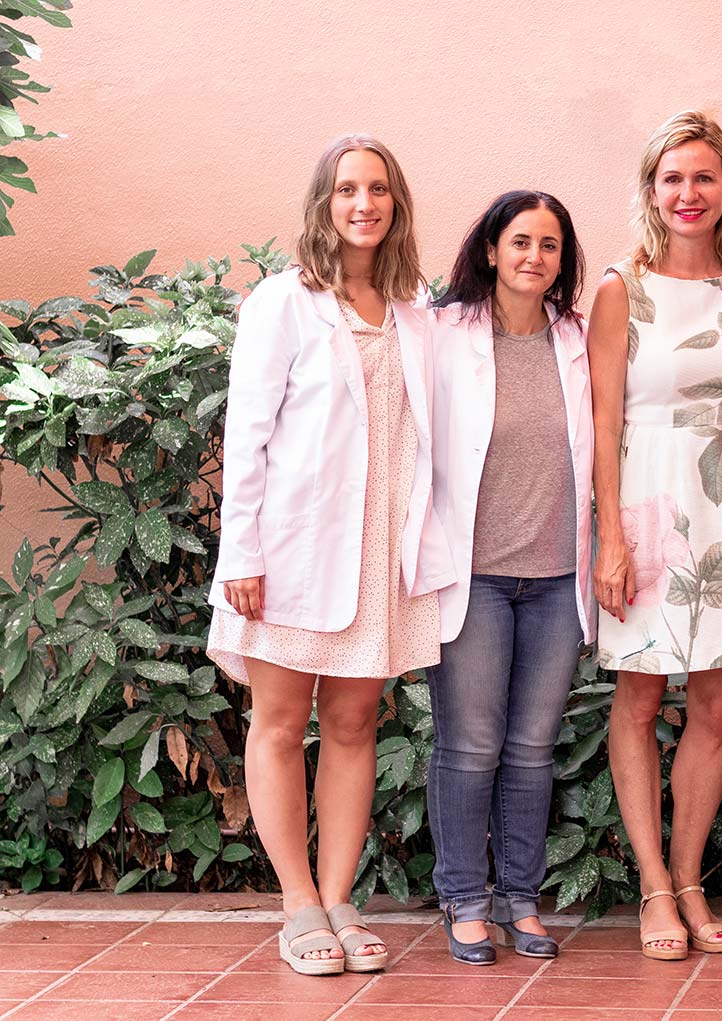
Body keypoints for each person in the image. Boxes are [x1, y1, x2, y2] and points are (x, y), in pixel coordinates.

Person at [206, 134, 452, 975]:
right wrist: (240, 549)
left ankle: (341, 896)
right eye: (348, 188)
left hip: (381, 553)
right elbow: (249, 435)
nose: (364, 203)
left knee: (354, 723)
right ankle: (298, 903)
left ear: (396, 203)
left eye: (379, 188)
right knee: (278, 724)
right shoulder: (284, 301)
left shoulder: (418, 308)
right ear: (325, 201)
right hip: (290, 549)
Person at [589, 109, 722, 961]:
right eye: (672, 177)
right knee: (639, 696)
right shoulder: (619, 288)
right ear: (651, 189)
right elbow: (603, 426)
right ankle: (651, 886)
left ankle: (690, 879)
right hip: (646, 510)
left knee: (715, 702)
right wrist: (609, 537)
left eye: (703, 177)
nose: (687, 192)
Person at [424, 191, 594, 966]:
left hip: (560, 576)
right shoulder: (443, 332)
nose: (535, 255)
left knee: (531, 746)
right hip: (477, 576)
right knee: (470, 744)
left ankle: (520, 900)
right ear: (490, 249)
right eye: (520, 240)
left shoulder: (578, 338)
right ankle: (463, 898)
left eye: (550, 244)